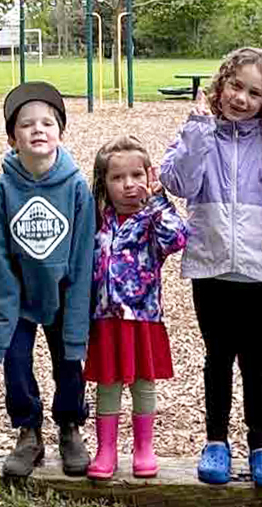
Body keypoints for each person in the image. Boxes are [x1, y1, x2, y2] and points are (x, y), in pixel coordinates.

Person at [159, 46, 262, 487]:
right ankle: (216, 441)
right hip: (211, 266)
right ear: (221, 85)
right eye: (236, 86)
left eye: (255, 93)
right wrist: (197, 130)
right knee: (217, 357)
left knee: (256, 360)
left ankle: (261, 445)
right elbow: (178, 182)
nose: (242, 98)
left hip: (259, 270)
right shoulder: (199, 134)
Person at [0, 81, 95, 479]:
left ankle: (70, 426)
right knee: (16, 362)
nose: (37, 130)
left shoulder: (76, 186)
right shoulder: (3, 189)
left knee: (69, 362)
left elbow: (83, 255)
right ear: (12, 137)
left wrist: (79, 309)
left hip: (63, 292)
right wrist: (7, 304)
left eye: (47, 123)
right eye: (26, 124)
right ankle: (28, 431)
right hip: (19, 294)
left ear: (60, 132)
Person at [83, 136, 186, 480]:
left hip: (143, 317)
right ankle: (106, 449)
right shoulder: (98, 222)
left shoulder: (152, 218)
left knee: (143, 382)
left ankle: (144, 448)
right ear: (104, 183)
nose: (128, 185)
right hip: (105, 318)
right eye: (117, 177)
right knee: (108, 383)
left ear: (148, 176)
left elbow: (178, 238)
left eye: (136, 175)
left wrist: (157, 200)